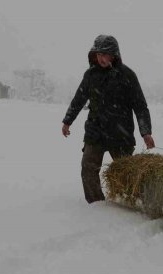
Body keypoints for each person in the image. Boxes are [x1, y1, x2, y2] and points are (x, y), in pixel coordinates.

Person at [61, 34, 155, 203]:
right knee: (88, 168)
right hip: (95, 132)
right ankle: (96, 205)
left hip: (121, 134)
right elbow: (78, 100)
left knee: (127, 172)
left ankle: (130, 203)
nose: (101, 58)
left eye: (105, 54)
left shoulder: (127, 75)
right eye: (98, 54)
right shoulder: (90, 75)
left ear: (114, 55)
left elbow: (140, 106)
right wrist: (67, 121)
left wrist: (146, 132)